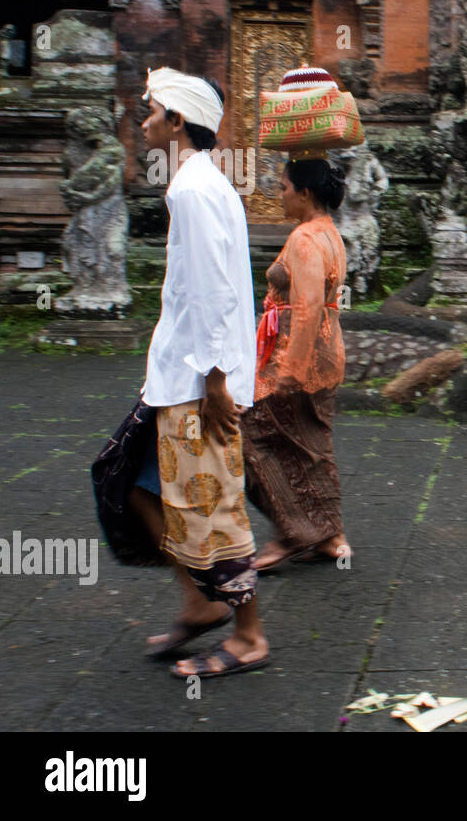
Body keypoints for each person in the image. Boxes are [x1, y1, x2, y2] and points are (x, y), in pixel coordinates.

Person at [104, 67, 267, 678]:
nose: (141, 121)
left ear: (177, 122)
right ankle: (200, 603)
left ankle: (249, 636)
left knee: (212, 508)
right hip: (181, 377)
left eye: (150, 112)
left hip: (199, 386)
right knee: (132, 484)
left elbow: (214, 293)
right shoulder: (198, 184)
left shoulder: (194, 190)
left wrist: (218, 382)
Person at [244, 153, 350, 570]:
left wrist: (288, 372)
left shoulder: (306, 239)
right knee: (311, 447)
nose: (280, 195)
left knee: (252, 437)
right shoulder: (329, 232)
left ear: (304, 192)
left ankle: (294, 534)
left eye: (284, 188)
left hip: (297, 357)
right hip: (326, 353)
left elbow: (305, 308)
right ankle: (328, 535)